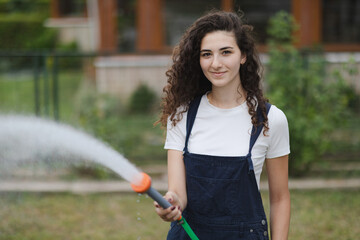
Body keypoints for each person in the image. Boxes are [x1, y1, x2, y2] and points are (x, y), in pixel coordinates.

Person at [154, 10, 290, 240]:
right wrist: (172, 202)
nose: (215, 63)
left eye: (226, 52)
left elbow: (280, 199)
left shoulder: (270, 119)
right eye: (206, 54)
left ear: (243, 55)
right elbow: (177, 192)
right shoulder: (182, 115)